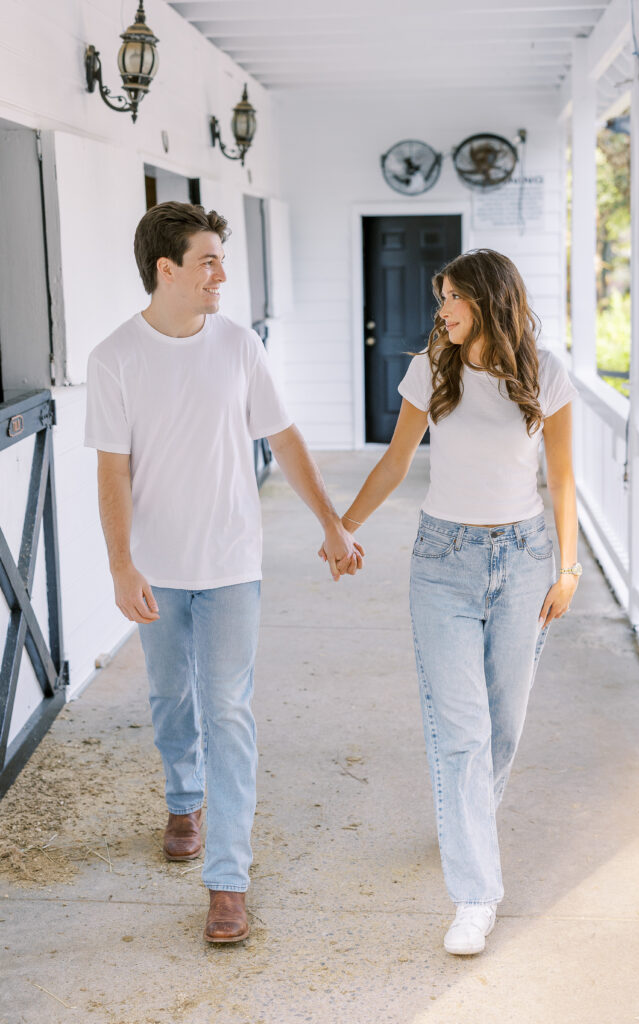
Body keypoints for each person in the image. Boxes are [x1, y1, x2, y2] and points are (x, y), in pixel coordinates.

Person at [84, 201, 362, 944]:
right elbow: (113, 473)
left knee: (229, 712)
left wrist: (331, 522)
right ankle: (184, 796)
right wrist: (120, 565)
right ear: (165, 269)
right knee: (172, 697)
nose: (221, 274)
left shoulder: (237, 345)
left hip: (233, 562)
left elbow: (284, 435)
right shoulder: (114, 357)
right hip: (157, 569)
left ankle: (228, 881)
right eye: (207, 261)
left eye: (221, 260)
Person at [333, 249, 579, 955]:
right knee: (463, 733)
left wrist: (567, 568)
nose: (439, 310)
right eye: (439, 297)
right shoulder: (429, 368)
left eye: (451, 299)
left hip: (526, 561)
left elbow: (561, 479)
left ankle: (465, 818)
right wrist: (344, 527)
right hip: (442, 563)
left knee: (501, 725)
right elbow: (394, 461)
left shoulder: (543, 372)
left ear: (487, 300)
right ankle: (475, 896)